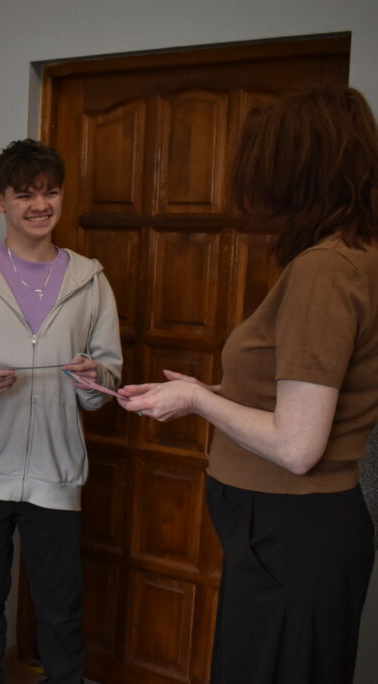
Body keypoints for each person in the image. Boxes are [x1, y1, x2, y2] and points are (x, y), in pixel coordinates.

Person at [117, 85, 378, 683]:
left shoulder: (326, 269)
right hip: (303, 533)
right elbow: (303, 402)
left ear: (301, 167)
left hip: (290, 533)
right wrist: (208, 395)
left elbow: (297, 445)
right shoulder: (361, 255)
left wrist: (196, 399)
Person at [0, 139, 122, 684]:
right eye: (25, 194)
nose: (40, 205)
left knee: (61, 610)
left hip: (56, 473)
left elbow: (107, 380)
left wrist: (92, 378)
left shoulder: (90, 279)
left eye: (50, 192)